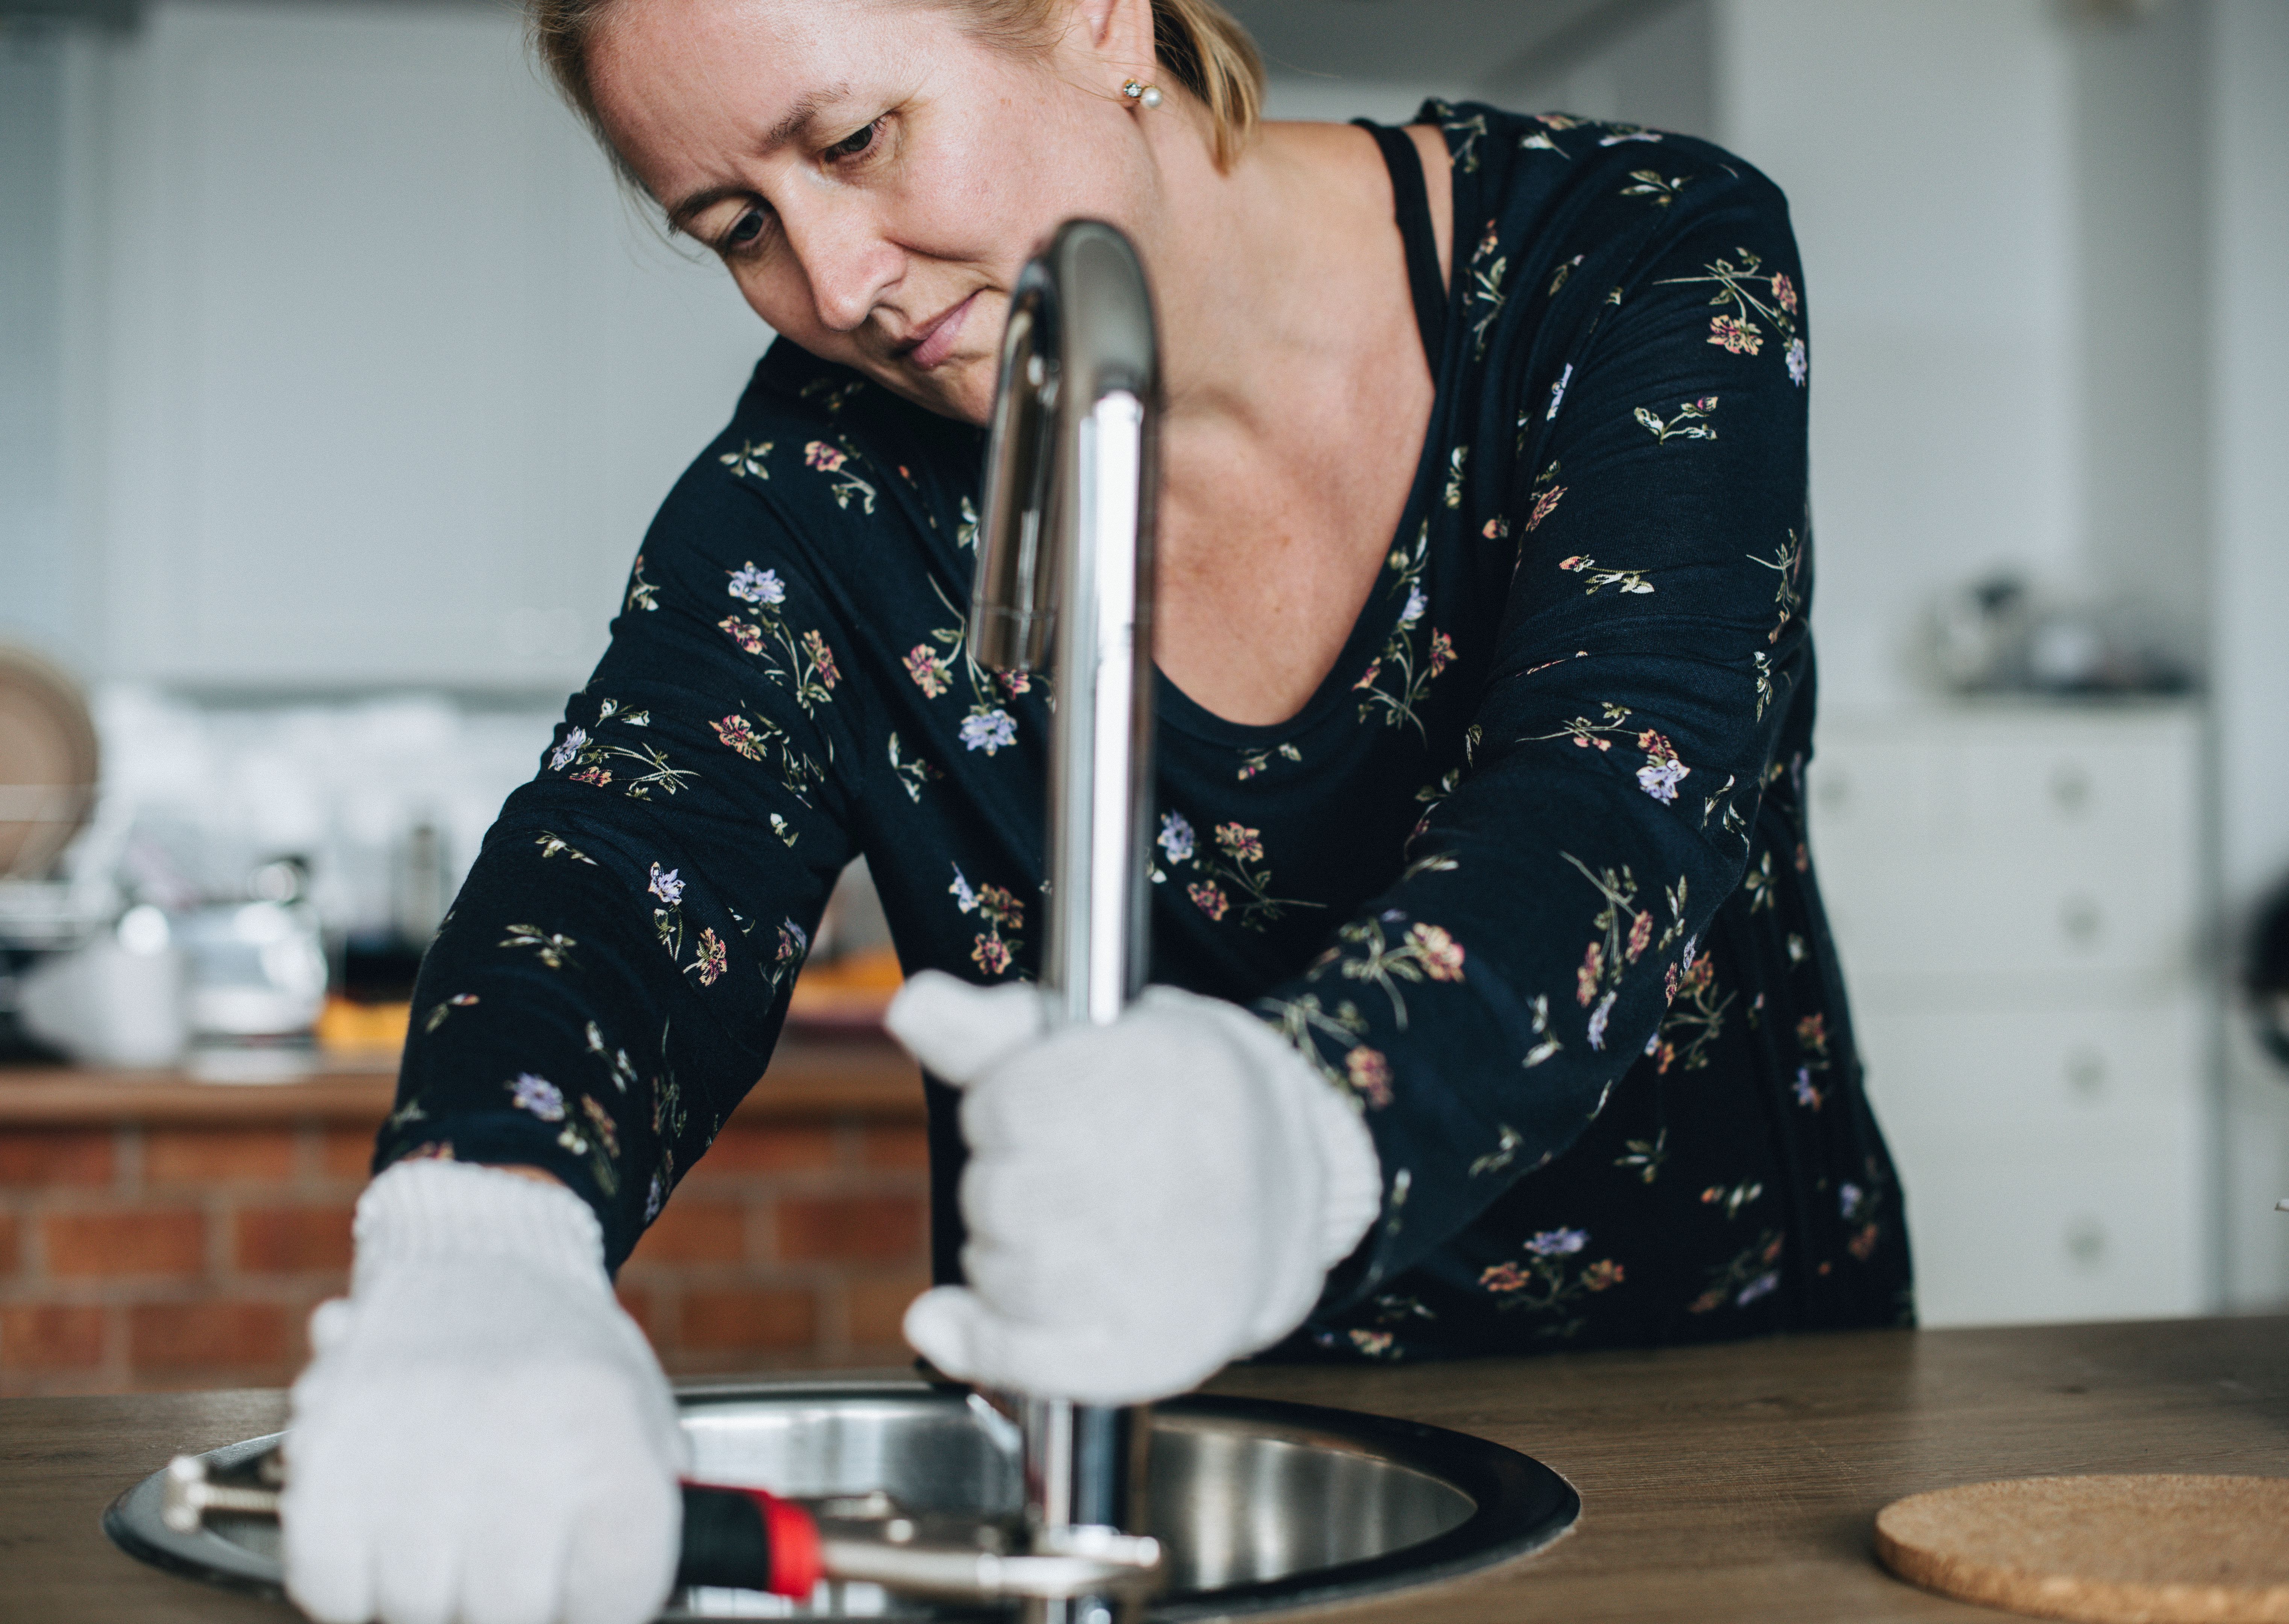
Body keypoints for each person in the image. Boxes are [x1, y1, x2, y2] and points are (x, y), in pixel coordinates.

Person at [281, 2, 1913, 1621]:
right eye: (736, 227)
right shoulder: (812, 486)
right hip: (1150, 1457)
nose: (836, 286)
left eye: (854, 141)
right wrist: (480, 1242)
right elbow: (625, 867)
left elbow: (1617, 799)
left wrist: (1293, 1131)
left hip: (1719, 1431)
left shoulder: (1628, 259)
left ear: (1092, 18)